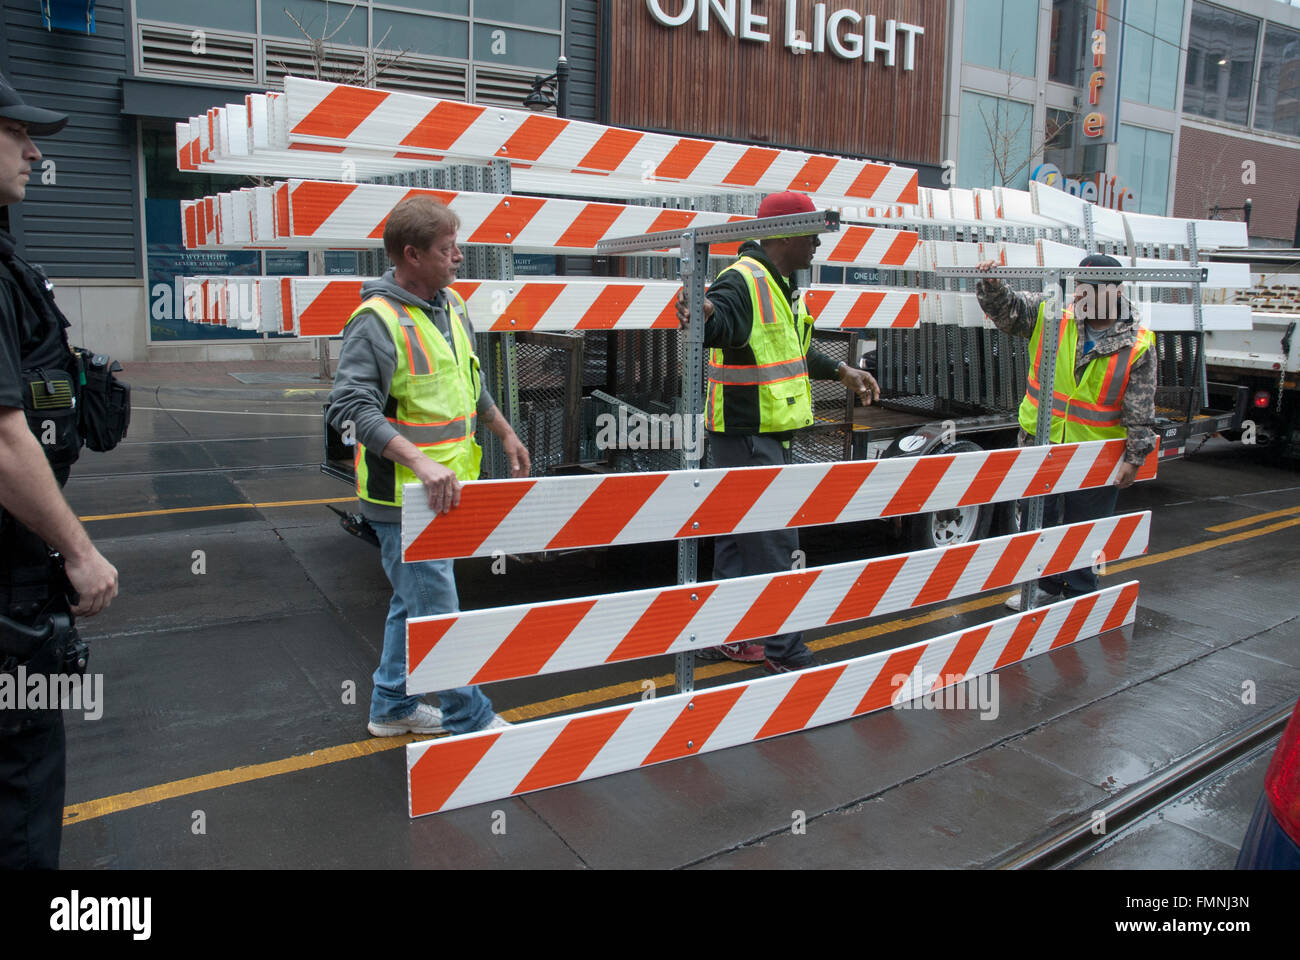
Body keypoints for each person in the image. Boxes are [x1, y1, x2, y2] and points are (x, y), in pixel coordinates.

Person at [327, 195, 529, 736]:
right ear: (411, 256)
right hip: (402, 501)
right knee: (439, 612)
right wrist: (418, 462)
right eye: (447, 249)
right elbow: (348, 408)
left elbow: (470, 381)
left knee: (411, 602)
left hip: (442, 493)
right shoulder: (375, 320)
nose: (459, 257)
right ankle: (471, 718)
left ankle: (391, 706)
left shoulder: (451, 305)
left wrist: (503, 431)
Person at [677, 191, 880, 673]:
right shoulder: (745, 281)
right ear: (785, 234)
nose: (816, 244)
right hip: (751, 439)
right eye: (811, 234)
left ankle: (729, 638)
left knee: (735, 541)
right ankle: (787, 654)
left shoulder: (777, 283)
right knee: (774, 548)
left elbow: (788, 352)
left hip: (744, 437)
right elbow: (720, 319)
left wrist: (840, 371)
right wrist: (703, 314)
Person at [0, 76, 119, 869]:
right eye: (17, 135)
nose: (34, 153)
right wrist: (80, 551)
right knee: (24, 788)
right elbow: (5, 441)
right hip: (10, 599)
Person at [975, 253, 1157, 609]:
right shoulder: (1054, 314)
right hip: (1041, 442)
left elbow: (1141, 407)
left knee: (1085, 527)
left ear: (1116, 292)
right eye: (1078, 288)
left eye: (1091, 291)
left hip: (1094, 453)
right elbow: (1007, 310)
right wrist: (992, 284)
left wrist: (1134, 458)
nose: (1081, 298)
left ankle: (1078, 592)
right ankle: (1044, 585)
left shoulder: (1137, 342)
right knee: (1038, 520)